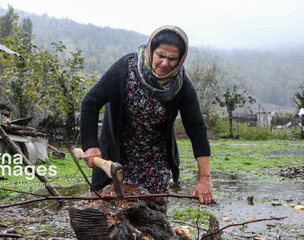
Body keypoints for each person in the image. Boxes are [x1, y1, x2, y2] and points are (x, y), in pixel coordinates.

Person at [80, 25, 215, 205]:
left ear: (181, 59)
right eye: (160, 55)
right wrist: (90, 145)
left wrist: (204, 178)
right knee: (105, 211)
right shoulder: (125, 69)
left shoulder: (180, 85)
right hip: (116, 156)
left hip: (155, 162)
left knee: (152, 216)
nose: (165, 63)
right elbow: (90, 102)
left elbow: (197, 129)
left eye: (172, 58)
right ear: (151, 50)